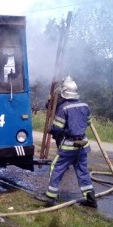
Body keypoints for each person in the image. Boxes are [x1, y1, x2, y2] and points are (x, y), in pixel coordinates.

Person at [35, 76, 98, 208]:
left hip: (68, 146)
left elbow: (58, 128)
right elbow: (88, 122)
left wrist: (51, 130)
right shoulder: (85, 105)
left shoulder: (63, 108)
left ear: (64, 92)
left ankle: (50, 196)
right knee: (82, 171)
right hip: (83, 144)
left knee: (56, 168)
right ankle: (90, 198)